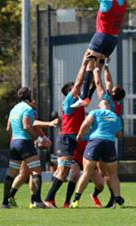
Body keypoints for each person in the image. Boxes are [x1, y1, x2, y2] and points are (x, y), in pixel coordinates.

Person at [70, 0, 127, 108]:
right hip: (112, 40)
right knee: (98, 68)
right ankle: (87, 97)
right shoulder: (122, 1)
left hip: (100, 37)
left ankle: (84, 97)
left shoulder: (106, 0)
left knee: (89, 63)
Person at [43, 58, 89, 208]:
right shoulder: (69, 100)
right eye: (75, 88)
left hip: (73, 139)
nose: (79, 88)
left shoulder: (80, 101)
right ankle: (48, 199)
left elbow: (88, 85)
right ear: (69, 92)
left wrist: (95, 67)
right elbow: (79, 81)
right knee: (63, 171)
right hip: (65, 139)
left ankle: (53, 200)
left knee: (65, 171)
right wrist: (84, 64)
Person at [1, 87, 56, 209]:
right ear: (29, 97)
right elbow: (27, 126)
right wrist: (37, 138)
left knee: (11, 174)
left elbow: (8, 128)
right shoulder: (27, 109)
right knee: (37, 171)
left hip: (14, 143)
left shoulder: (14, 109)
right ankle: (37, 201)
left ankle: (5, 202)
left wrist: (15, 138)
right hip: (24, 143)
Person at [71, 99, 125, 208]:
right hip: (109, 143)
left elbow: (86, 124)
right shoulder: (116, 117)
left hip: (95, 142)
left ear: (100, 106)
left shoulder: (95, 112)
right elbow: (119, 135)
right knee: (113, 174)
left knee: (86, 172)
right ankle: (117, 199)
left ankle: (76, 200)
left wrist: (80, 135)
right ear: (109, 107)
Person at [92, 62, 126, 207]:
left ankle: (113, 197)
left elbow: (100, 82)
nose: (111, 86)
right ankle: (113, 196)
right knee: (106, 171)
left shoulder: (105, 99)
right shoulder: (116, 103)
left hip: (100, 139)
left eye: (113, 88)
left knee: (105, 172)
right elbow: (109, 82)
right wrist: (106, 66)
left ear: (113, 92)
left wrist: (95, 69)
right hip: (110, 139)